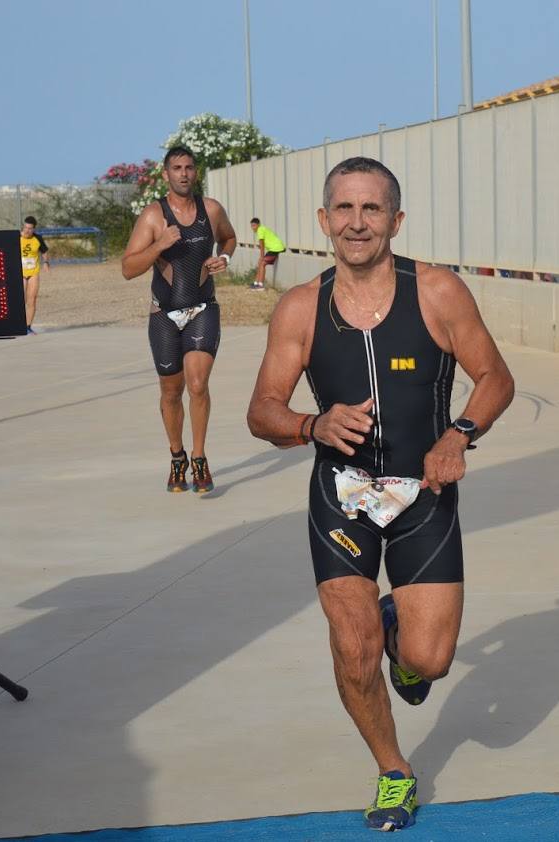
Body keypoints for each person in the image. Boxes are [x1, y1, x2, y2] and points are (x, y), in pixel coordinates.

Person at [247, 157, 514, 831]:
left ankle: (399, 629)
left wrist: (456, 437)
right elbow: (262, 411)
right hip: (340, 497)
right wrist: (312, 423)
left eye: (371, 210)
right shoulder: (299, 308)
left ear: (395, 220)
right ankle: (394, 769)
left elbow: (495, 379)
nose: (357, 223)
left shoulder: (437, 293)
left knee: (429, 660)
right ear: (322, 221)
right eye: (344, 209)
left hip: (423, 491)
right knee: (352, 645)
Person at [121, 146, 237, 494]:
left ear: (195, 172)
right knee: (171, 392)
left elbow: (229, 238)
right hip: (164, 316)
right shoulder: (154, 216)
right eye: (177, 168)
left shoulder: (211, 210)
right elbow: (128, 268)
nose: (183, 173)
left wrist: (225, 258)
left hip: (203, 309)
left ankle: (200, 458)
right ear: (166, 173)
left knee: (198, 385)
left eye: (189, 167)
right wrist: (159, 246)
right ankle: (177, 456)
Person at [19, 216, 50, 334]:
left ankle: (28, 327)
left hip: (33, 272)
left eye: (30, 228)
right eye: (25, 228)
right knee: (21, 299)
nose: (27, 231)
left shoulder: (38, 238)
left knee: (32, 300)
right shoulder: (17, 237)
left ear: (34, 229)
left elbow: (45, 251)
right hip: (20, 273)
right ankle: (18, 325)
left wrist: (46, 262)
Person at [249, 217, 285, 290]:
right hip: (273, 248)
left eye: (254, 225)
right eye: (252, 226)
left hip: (276, 248)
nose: (253, 228)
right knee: (260, 262)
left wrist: (261, 256)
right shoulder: (261, 229)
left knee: (262, 263)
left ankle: (261, 285)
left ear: (258, 225)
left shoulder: (260, 230)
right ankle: (256, 282)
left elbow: (262, 245)